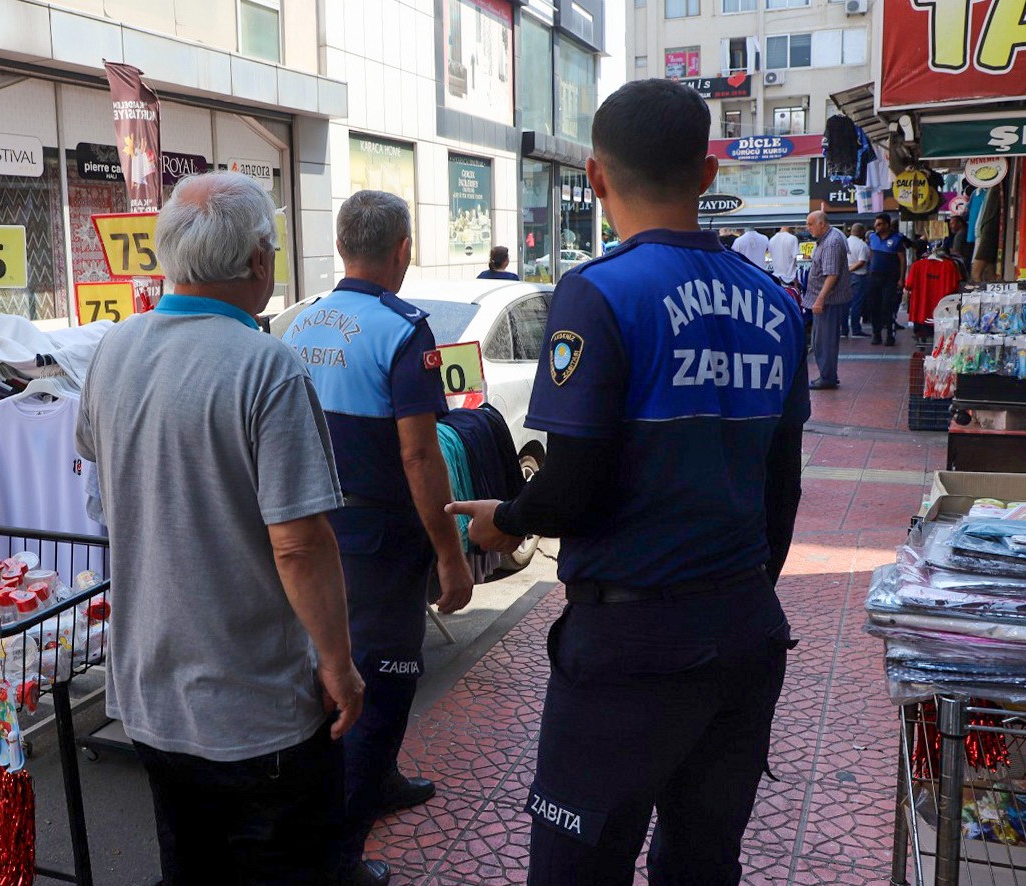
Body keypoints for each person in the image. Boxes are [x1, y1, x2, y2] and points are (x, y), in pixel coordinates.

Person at [446, 78, 808, 885]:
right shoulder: (777, 305)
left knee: (578, 865)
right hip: (745, 631)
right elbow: (781, 489)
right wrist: (738, 592)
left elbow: (572, 484)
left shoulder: (600, 292)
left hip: (630, 647)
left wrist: (505, 518)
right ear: (708, 173)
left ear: (596, 176)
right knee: (703, 859)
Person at [76, 171, 365, 884]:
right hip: (254, 707)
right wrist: (338, 665)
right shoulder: (266, 367)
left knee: (190, 868)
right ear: (260, 262)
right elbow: (298, 543)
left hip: (148, 694)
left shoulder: (114, 349)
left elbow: (100, 477)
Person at [281, 190, 475, 886]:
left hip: (309, 524)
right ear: (402, 250)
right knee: (382, 688)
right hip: (379, 539)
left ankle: (377, 782)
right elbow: (420, 457)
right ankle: (340, 859)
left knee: (328, 673)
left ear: (340, 246)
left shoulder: (299, 324)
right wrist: (450, 556)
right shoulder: (403, 329)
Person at [805, 211, 852, 390]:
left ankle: (827, 377)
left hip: (828, 301)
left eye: (810, 224)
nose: (808, 228)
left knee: (824, 341)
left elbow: (832, 274)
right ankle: (829, 374)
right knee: (822, 340)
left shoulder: (831, 242)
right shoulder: (828, 238)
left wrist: (820, 299)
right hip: (827, 300)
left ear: (821, 224)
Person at [866, 212, 907, 346]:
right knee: (874, 307)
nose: (876, 226)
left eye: (879, 224)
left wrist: (901, 279)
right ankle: (876, 335)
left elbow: (902, 259)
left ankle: (890, 335)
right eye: (875, 224)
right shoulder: (872, 237)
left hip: (890, 278)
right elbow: (871, 255)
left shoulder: (897, 239)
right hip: (874, 277)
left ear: (887, 225)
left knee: (887, 307)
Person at [846, 222, 871, 338]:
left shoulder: (844, 242)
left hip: (845, 277)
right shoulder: (862, 245)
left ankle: (843, 329)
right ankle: (856, 329)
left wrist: (846, 270)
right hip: (859, 276)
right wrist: (851, 269)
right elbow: (862, 262)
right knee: (857, 303)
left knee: (845, 303)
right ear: (861, 232)